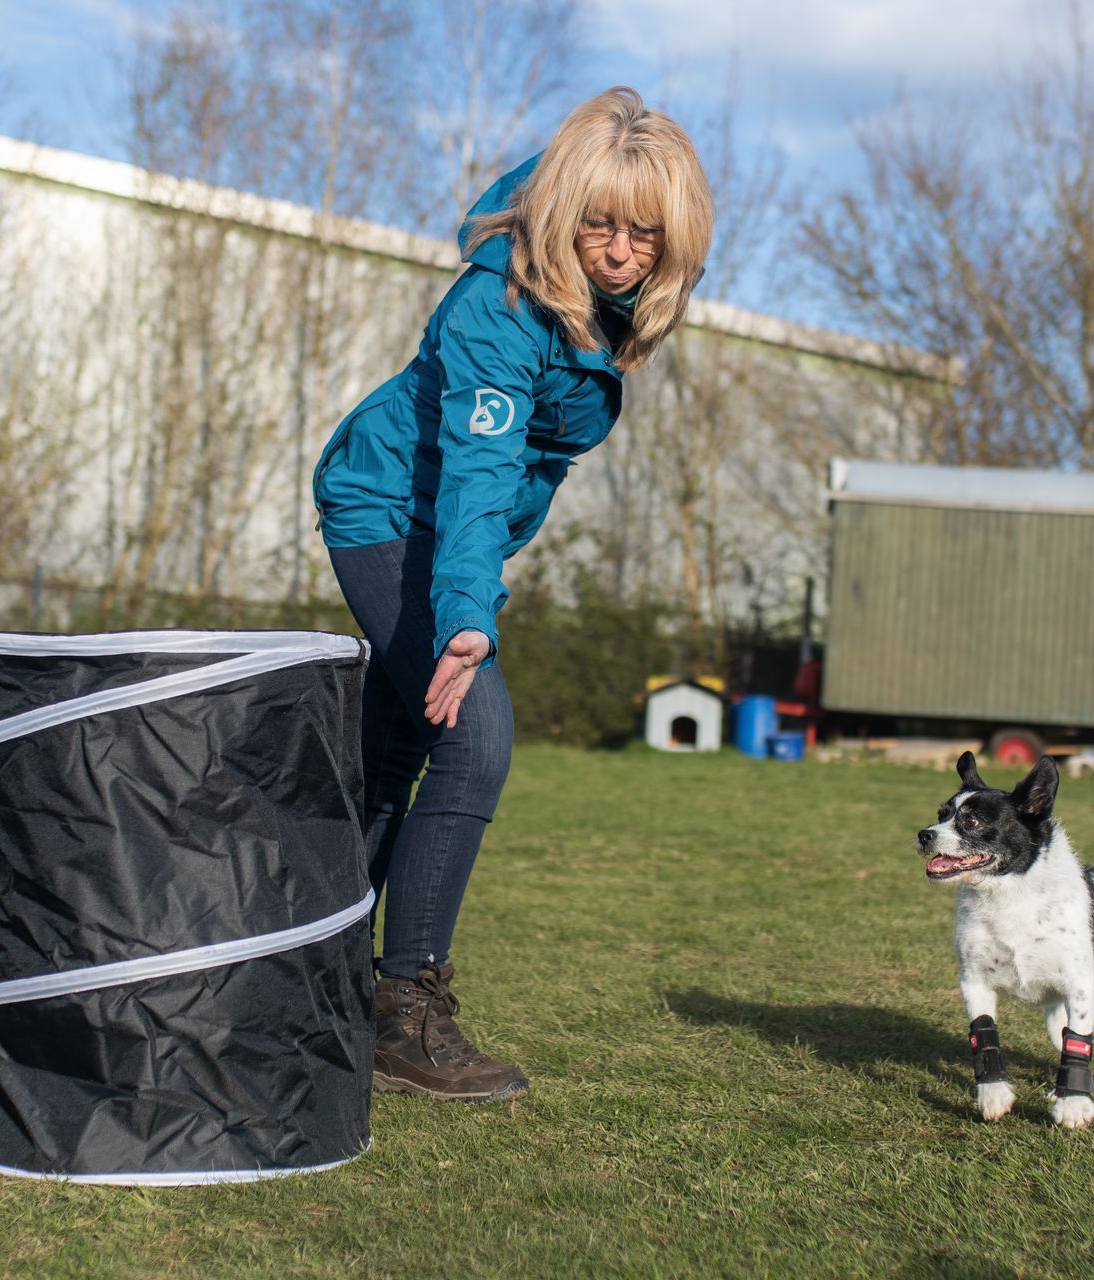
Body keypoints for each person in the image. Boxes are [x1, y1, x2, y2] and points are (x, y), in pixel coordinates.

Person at [312, 87, 713, 1102]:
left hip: (443, 526)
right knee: (474, 735)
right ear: (561, 208)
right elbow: (479, 475)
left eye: (645, 233)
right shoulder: (499, 308)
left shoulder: (607, 306)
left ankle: (314, 978)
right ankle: (404, 1008)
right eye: (599, 224)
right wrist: (465, 621)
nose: (620, 251)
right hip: (392, 512)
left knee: (399, 747)